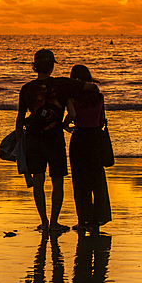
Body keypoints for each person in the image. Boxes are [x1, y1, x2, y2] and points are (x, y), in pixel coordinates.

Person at [15, 49, 72, 234]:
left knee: (38, 181)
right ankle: (54, 222)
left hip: (33, 138)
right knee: (57, 182)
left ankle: (44, 222)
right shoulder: (62, 85)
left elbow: (20, 116)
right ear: (52, 66)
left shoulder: (27, 88)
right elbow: (87, 88)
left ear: (35, 66)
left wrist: (18, 141)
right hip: (55, 138)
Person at [63, 64, 112, 234]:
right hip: (96, 139)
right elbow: (102, 120)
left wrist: (65, 124)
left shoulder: (72, 97)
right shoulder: (99, 97)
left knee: (80, 182)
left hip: (80, 138)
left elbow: (73, 115)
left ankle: (83, 220)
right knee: (97, 180)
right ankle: (97, 219)